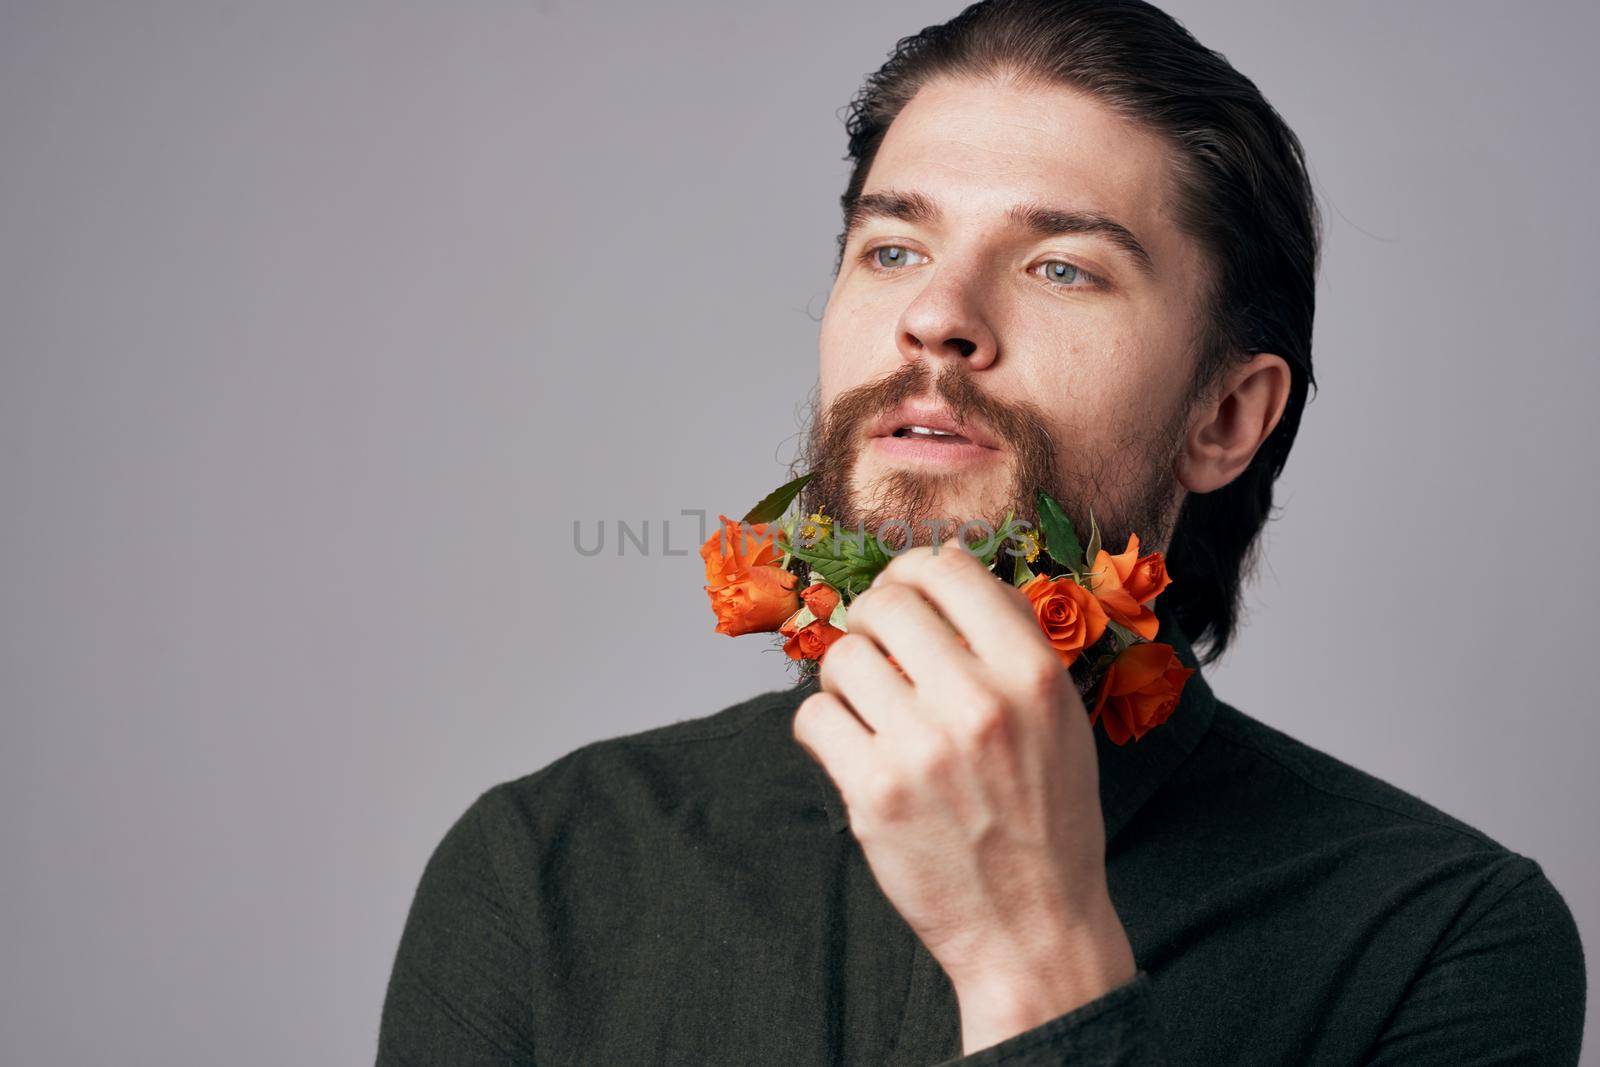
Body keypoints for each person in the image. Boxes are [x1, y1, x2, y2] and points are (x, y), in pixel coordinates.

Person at [375, 1, 1587, 1063]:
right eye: (892, 248)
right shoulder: (546, 869)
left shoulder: (1442, 934)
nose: (936, 316)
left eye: (1060, 267)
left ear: (1225, 414)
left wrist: (1033, 955)